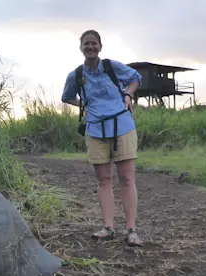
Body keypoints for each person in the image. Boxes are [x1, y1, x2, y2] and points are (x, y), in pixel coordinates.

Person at [61, 29, 144, 247]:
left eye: (94, 43)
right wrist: (85, 105)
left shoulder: (111, 66)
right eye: (86, 44)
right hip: (95, 129)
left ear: (100, 46)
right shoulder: (76, 75)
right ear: (80, 48)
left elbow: (136, 78)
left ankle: (132, 230)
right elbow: (67, 96)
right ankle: (108, 227)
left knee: (127, 178)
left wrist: (127, 94)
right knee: (104, 180)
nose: (90, 47)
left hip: (122, 126)